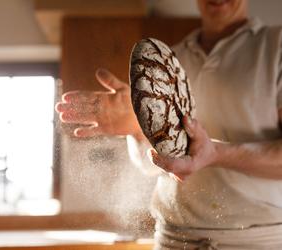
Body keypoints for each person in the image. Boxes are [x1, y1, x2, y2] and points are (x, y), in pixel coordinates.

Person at [55, 0, 282, 249]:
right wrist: (137, 127)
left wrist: (217, 153)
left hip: (257, 241)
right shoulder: (168, 59)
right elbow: (153, 166)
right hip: (171, 239)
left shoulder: (276, 46)